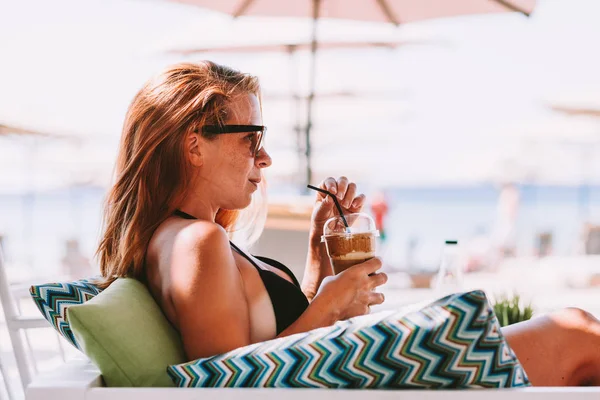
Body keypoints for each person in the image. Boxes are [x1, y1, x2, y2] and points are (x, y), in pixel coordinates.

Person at [96, 61, 600, 387]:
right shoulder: (197, 241)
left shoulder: (184, 237)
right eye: (251, 138)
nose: (265, 157)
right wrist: (331, 304)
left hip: (341, 384)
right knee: (577, 332)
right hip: (360, 389)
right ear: (194, 145)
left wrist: (317, 257)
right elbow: (232, 384)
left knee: (577, 330)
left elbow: (263, 347)